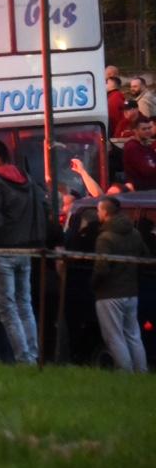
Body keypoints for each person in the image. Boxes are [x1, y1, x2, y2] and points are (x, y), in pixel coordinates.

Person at [0, 139, 46, 365]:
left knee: (7, 308)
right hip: (25, 248)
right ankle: (33, 355)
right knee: (24, 303)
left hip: (2, 250)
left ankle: (23, 358)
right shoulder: (26, 178)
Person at [92, 196, 149, 373]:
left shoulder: (105, 238)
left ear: (106, 213)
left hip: (110, 293)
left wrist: (94, 284)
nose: (97, 213)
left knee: (114, 336)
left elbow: (102, 268)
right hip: (131, 291)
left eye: (98, 210)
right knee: (133, 335)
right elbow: (145, 256)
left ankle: (125, 372)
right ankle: (141, 370)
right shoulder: (135, 233)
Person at [122, 117, 156, 190]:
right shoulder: (132, 147)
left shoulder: (148, 147)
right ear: (135, 131)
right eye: (144, 129)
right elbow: (146, 170)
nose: (147, 131)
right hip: (141, 191)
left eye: (149, 128)